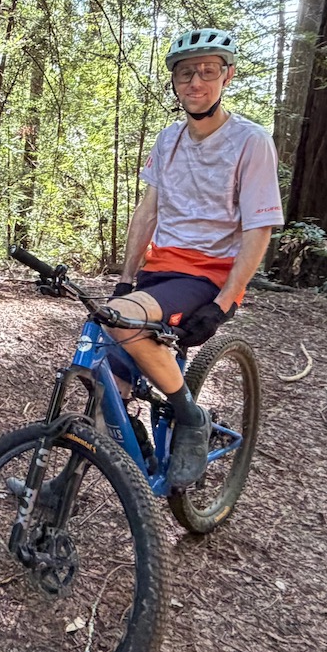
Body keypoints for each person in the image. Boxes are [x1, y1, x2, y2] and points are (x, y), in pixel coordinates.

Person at [109, 27, 282, 489]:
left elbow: (259, 227)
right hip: (158, 274)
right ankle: (81, 480)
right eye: (186, 73)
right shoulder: (168, 140)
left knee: (123, 321)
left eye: (208, 71)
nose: (196, 82)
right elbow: (148, 212)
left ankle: (192, 418)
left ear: (227, 76)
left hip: (205, 277)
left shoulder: (251, 141)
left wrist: (225, 302)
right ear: (175, 82)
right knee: (102, 382)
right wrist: (126, 280)